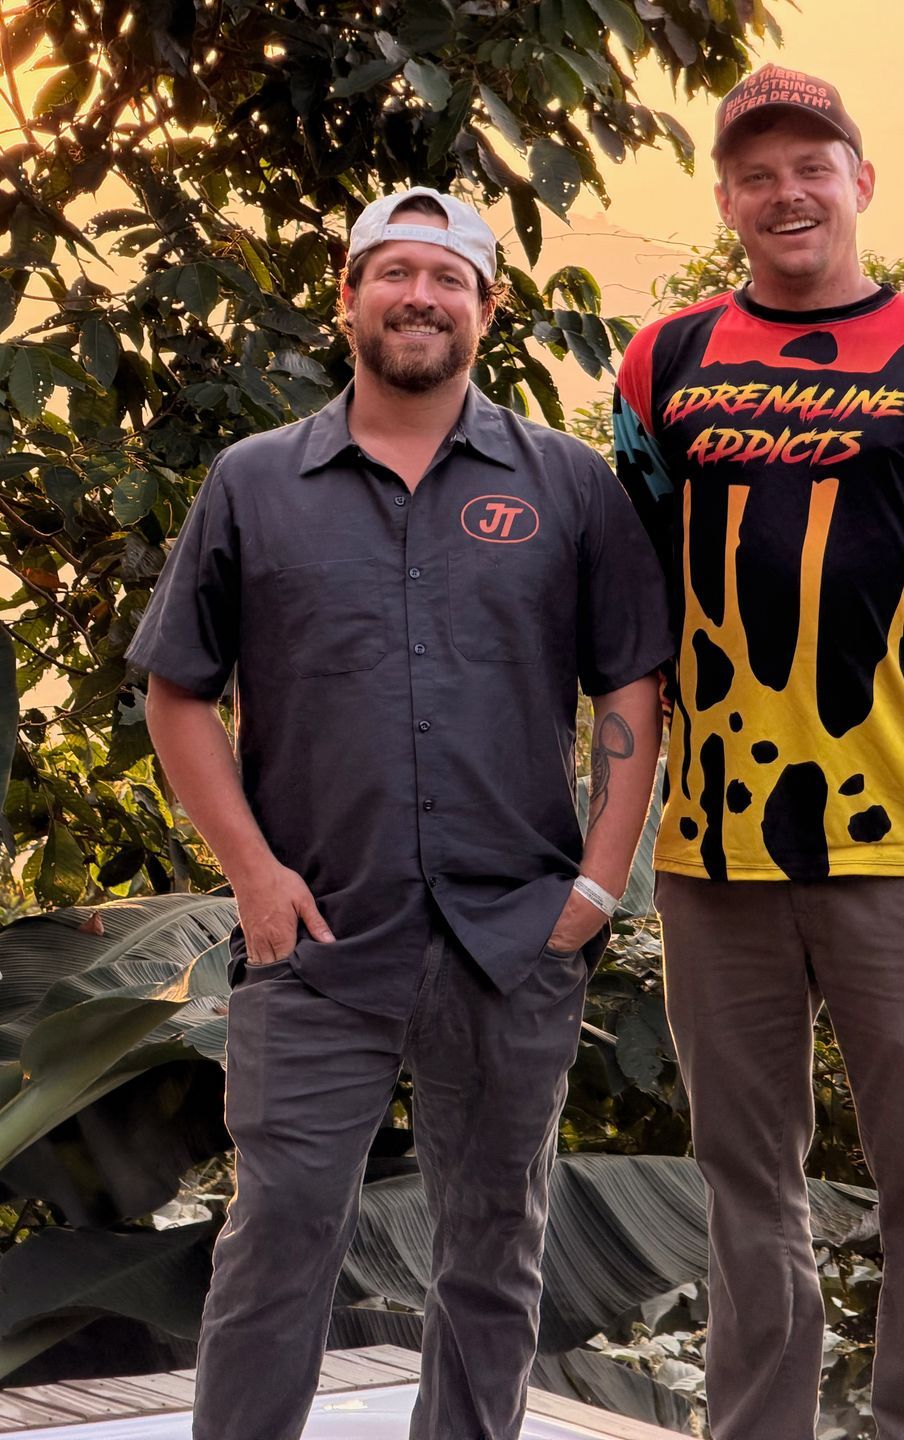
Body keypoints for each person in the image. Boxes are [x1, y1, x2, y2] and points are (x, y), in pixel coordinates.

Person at [129, 186, 671, 1440]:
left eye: (447, 276)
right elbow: (178, 695)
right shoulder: (256, 483)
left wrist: (595, 890)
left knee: (492, 1254)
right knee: (279, 1247)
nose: (419, 295)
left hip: (513, 940)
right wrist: (255, 880)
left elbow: (630, 688)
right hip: (316, 945)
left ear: (486, 307)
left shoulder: (567, 484)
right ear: (350, 296)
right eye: (394, 272)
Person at [611, 65, 904, 1440]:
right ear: (728, 199)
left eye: (813, 166)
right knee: (748, 1185)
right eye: (757, 173)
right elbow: (626, 614)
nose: (786, 193)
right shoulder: (663, 363)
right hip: (714, 854)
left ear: (861, 180)